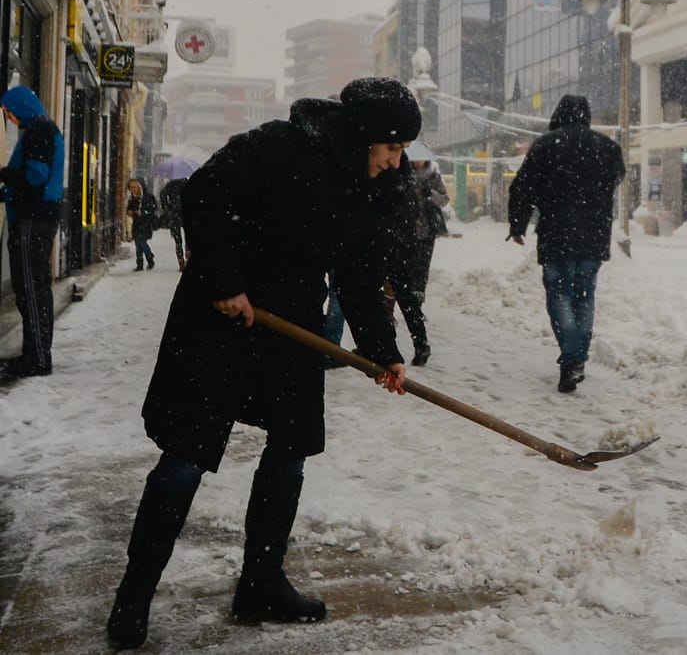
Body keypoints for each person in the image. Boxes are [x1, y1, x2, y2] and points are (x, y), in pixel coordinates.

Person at [106, 77, 421, 650]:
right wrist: (226, 281)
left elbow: (359, 276)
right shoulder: (284, 146)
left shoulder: (377, 188)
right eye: (392, 148)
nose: (396, 162)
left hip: (292, 321)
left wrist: (383, 352)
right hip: (221, 316)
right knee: (187, 455)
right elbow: (204, 195)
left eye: (402, 151)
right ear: (363, 137)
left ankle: (261, 582)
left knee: (290, 447)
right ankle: (135, 592)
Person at [506, 94, 624, 393]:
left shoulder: (546, 145)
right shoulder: (608, 147)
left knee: (559, 294)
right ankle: (576, 357)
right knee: (585, 296)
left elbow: (522, 187)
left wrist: (518, 225)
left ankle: (572, 357)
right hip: (594, 236)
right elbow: (616, 177)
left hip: (556, 234)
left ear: (558, 114)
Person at [0, 86, 64, 381]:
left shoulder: (39, 129)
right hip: (38, 218)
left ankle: (36, 358)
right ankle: (35, 354)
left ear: (22, 106)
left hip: (32, 221)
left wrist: (4, 173)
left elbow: (35, 177)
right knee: (34, 287)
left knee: (30, 288)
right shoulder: (43, 128)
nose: (11, 118)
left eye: (10, 112)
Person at [389, 157, 449, 366]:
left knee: (399, 290)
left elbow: (442, 199)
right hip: (403, 241)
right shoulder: (402, 177)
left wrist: (430, 195)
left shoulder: (400, 178)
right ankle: (419, 343)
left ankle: (390, 343)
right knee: (403, 294)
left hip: (407, 240)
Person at [126, 177, 159, 271]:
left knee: (143, 242)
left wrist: (144, 212)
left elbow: (153, 209)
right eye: (131, 188)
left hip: (145, 224)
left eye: (134, 187)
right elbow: (128, 210)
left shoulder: (148, 197)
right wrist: (131, 212)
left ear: (139, 186)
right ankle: (140, 263)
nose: (133, 189)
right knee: (138, 245)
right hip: (136, 224)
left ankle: (150, 258)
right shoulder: (132, 199)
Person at [159, 176, 189, 271]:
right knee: (188, 237)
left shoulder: (170, 185)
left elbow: (162, 194)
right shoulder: (187, 183)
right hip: (186, 212)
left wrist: (167, 206)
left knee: (178, 240)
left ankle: (181, 262)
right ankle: (188, 254)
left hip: (174, 214)